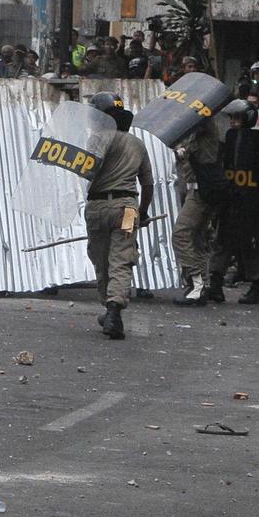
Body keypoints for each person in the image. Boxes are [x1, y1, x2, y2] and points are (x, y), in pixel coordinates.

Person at [84, 93, 154, 339]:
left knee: (101, 261)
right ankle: (114, 310)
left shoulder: (98, 140)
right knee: (122, 260)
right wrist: (142, 212)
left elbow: (85, 172)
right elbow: (148, 184)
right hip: (127, 208)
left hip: (97, 207)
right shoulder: (137, 144)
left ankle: (110, 308)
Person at [208, 100, 259, 305]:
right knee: (221, 243)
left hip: (249, 202)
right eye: (232, 118)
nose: (234, 122)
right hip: (230, 199)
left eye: (238, 118)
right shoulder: (229, 140)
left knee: (249, 246)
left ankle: (254, 287)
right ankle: (216, 285)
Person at [171, 118, 226, 306]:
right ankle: (201, 284)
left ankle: (197, 284)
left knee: (181, 234)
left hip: (201, 191)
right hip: (198, 190)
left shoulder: (204, 124)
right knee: (198, 239)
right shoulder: (199, 130)